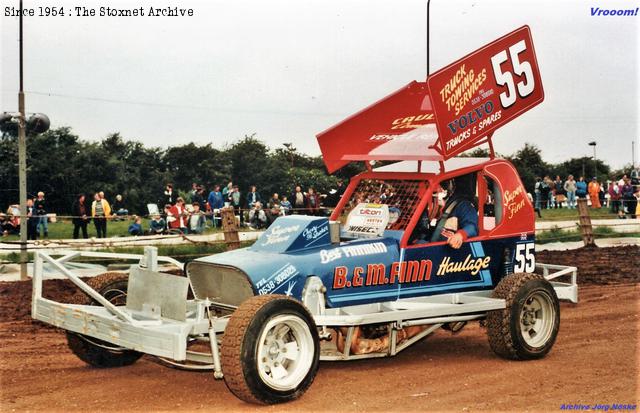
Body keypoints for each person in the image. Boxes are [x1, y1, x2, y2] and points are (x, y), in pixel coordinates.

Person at [436, 174, 478, 249]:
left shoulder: (463, 205)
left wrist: (460, 235)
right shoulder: (434, 205)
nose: (440, 188)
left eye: (444, 184)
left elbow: (472, 227)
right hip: (434, 247)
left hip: (450, 252)